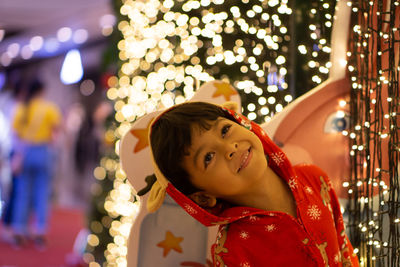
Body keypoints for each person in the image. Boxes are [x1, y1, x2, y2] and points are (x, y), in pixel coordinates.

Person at [142, 101, 359, 266]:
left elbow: (344, 246)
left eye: (225, 130)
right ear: (203, 197)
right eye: (208, 157)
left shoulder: (314, 179)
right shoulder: (233, 251)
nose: (230, 148)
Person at [10, 79, 61, 249]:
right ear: (42, 90)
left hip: (25, 153)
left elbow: (15, 134)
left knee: (22, 192)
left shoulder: (22, 108)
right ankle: (40, 231)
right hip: (42, 152)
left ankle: (19, 229)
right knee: (42, 192)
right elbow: (56, 132)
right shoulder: (49, 108)